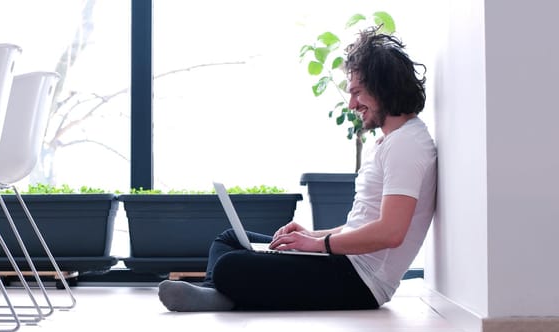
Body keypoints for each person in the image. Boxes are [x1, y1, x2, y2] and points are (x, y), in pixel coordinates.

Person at [157, 26, 437, 312]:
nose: (352, 104)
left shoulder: (407, 145)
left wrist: (318, 245)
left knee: (231, 264)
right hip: (344, 262)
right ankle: (216, 294)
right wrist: (313, 236)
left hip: (360, 282)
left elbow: (390, 233)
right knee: (228, 239)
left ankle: (218, 292)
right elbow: (364, 224)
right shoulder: (391, 141)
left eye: (357, 92)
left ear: (383, 87)